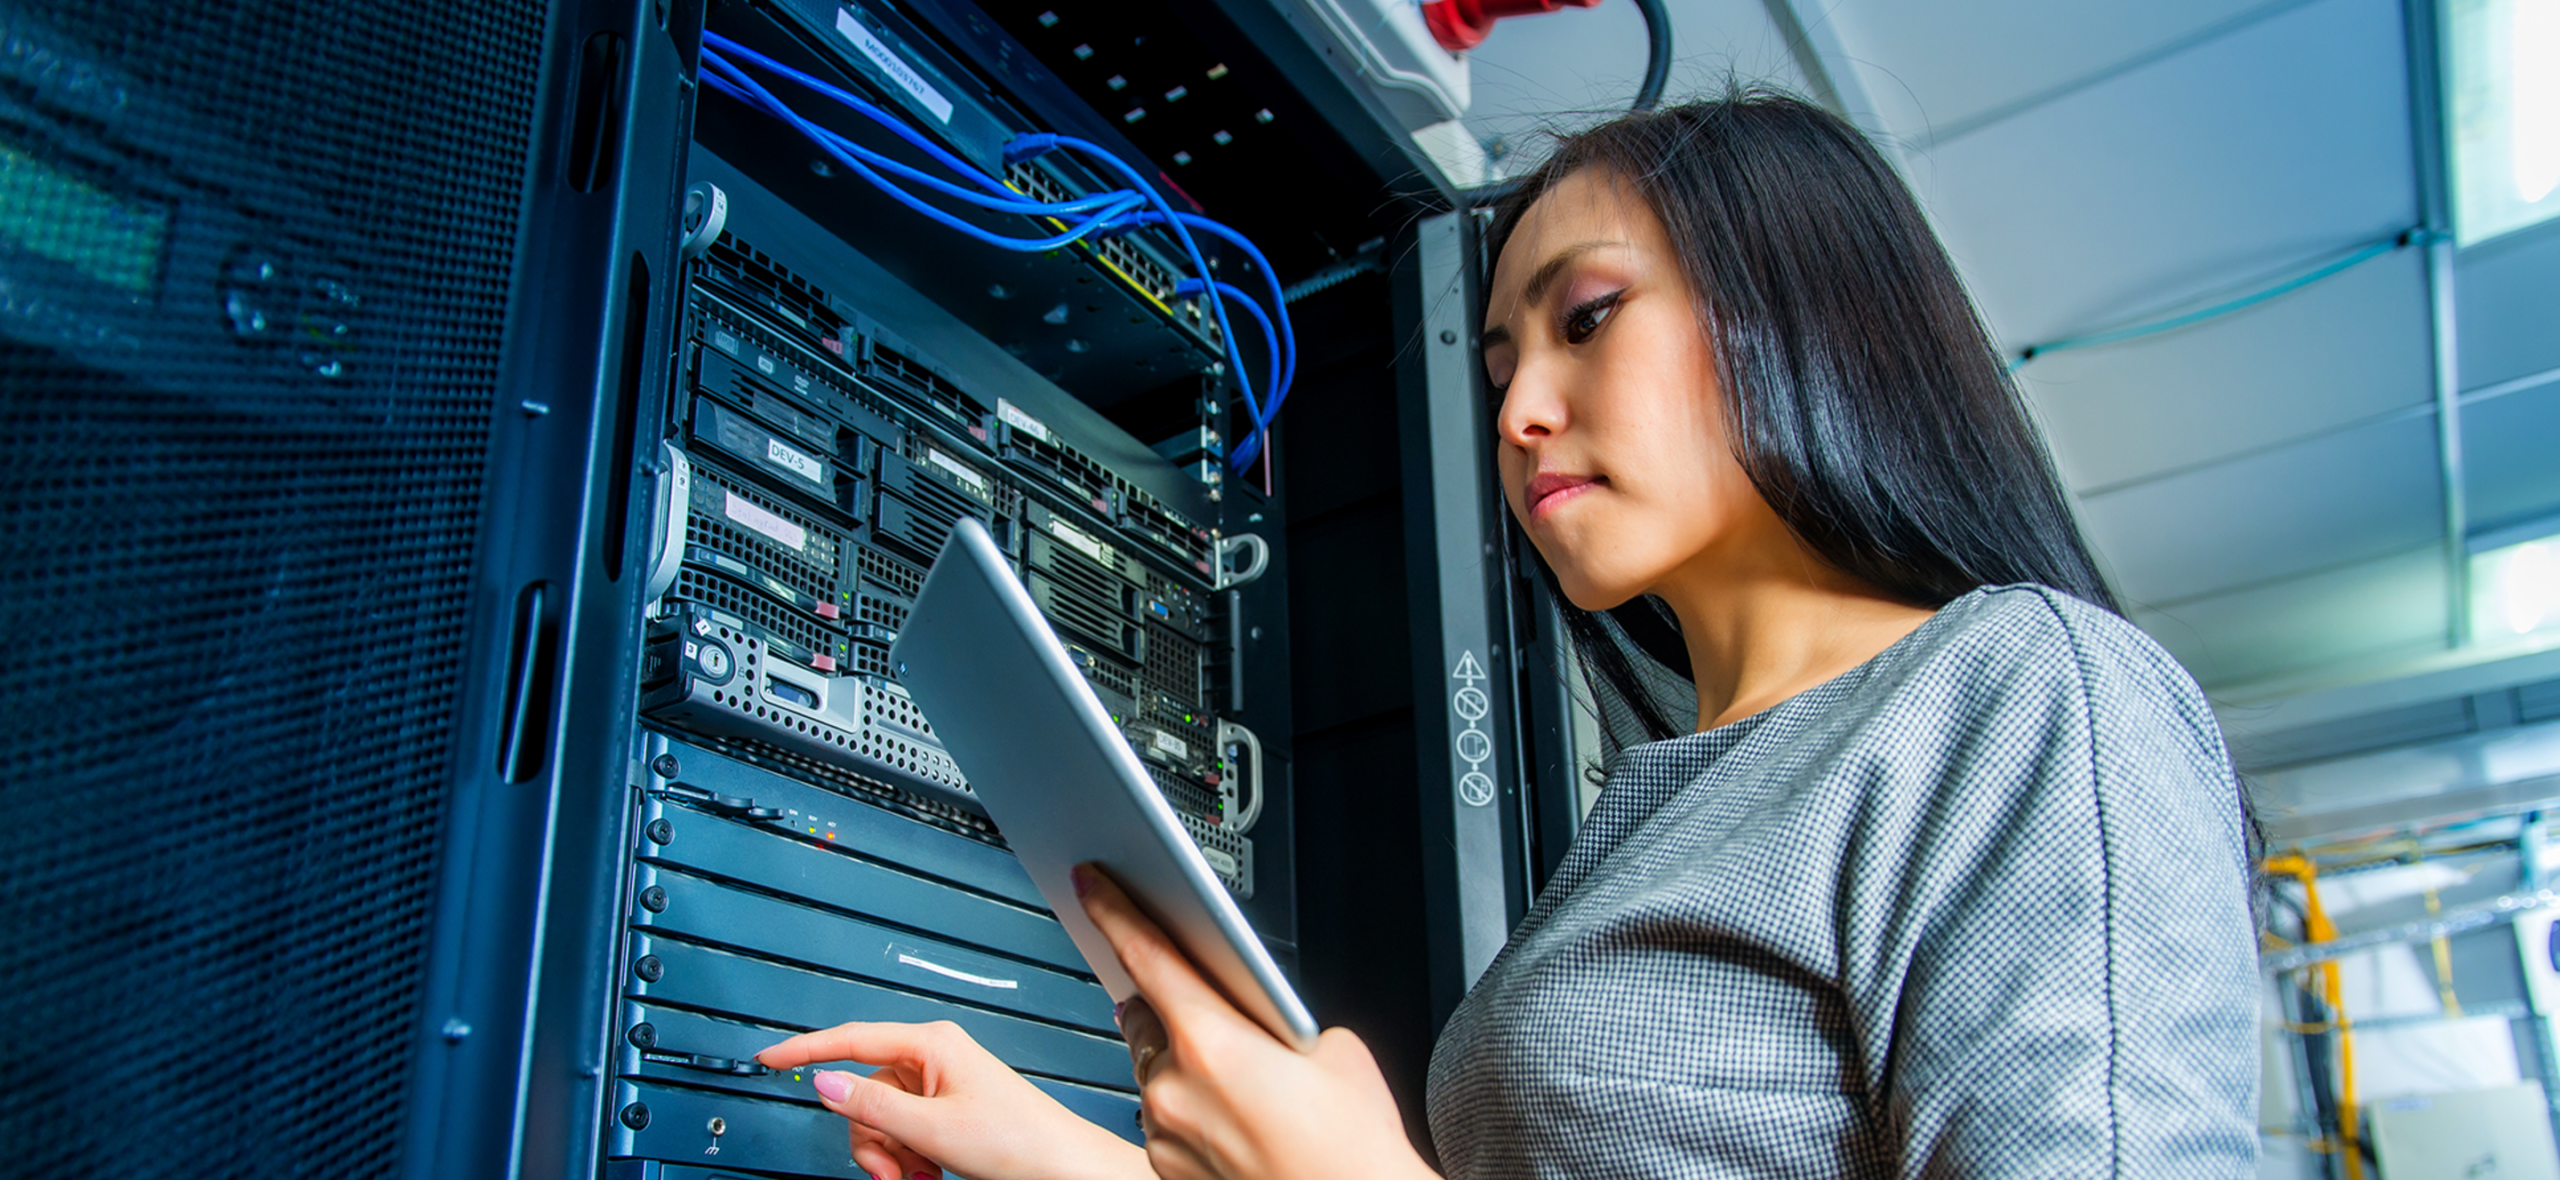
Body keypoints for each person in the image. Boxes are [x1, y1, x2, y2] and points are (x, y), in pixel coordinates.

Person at [755, 92, 2261, 1180]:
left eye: (1586, 316)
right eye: (1497, 367)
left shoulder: (2022, 700)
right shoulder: (1659, 815)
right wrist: (1063, 1162)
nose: (1520, 410)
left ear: (1801, 311)